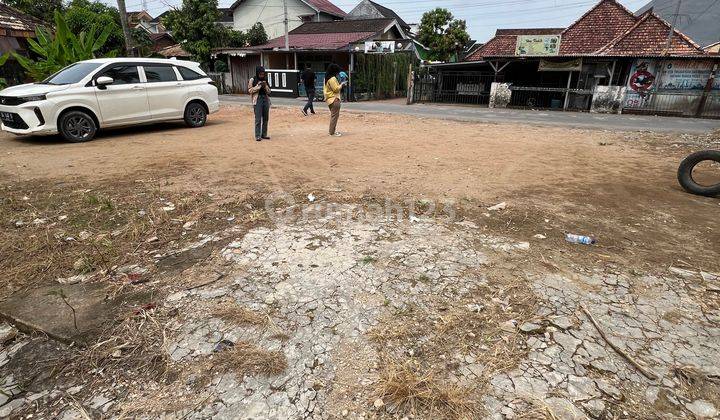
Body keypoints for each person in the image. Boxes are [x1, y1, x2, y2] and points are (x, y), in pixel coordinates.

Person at [248, 66, 271, 141]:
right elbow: (250, 90)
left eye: (263, 74)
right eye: (260, 74)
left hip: (265, 99)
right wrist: (258, 86)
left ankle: (264, 134)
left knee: (266, 118)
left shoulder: (265, 80)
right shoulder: (252, 80)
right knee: (258, 119)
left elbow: (269, 91)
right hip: (257, 100)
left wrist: (265, 86)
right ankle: (257, 135)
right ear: (257, 73)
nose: (262, 75)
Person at [323, 64, 346, 137]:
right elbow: (336, 89)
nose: (338, 73)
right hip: (334, 99)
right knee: (334, 117)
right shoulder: (332, 79)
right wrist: (342, 84)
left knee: (334, 116)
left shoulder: (326, 78)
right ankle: (331, 132)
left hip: (330, 99)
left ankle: (332, 131)